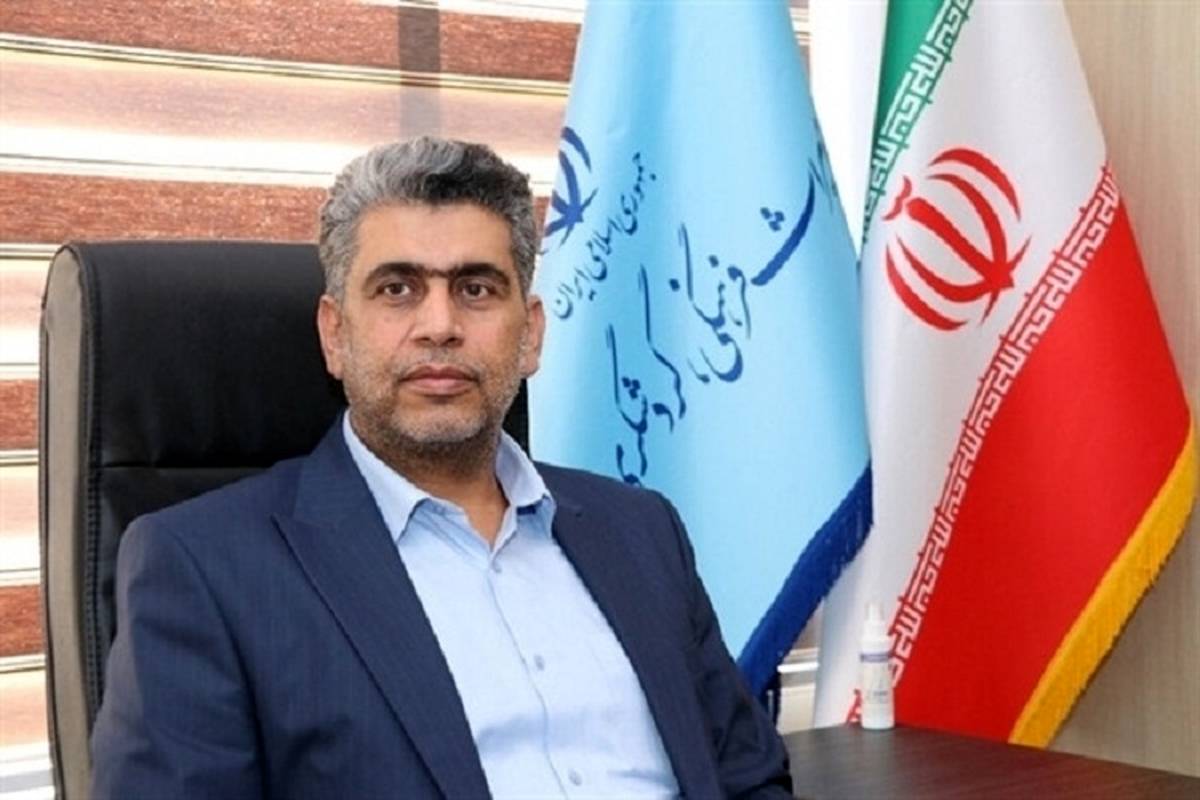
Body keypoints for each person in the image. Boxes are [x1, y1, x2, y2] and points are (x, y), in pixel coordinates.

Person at [90, 137, 792, 798]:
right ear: (334, 335)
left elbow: (750, 778)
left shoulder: (640, 530)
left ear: (531, 335)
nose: (439, 326)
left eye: (476, 289)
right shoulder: (203, 567)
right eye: (397, 289)